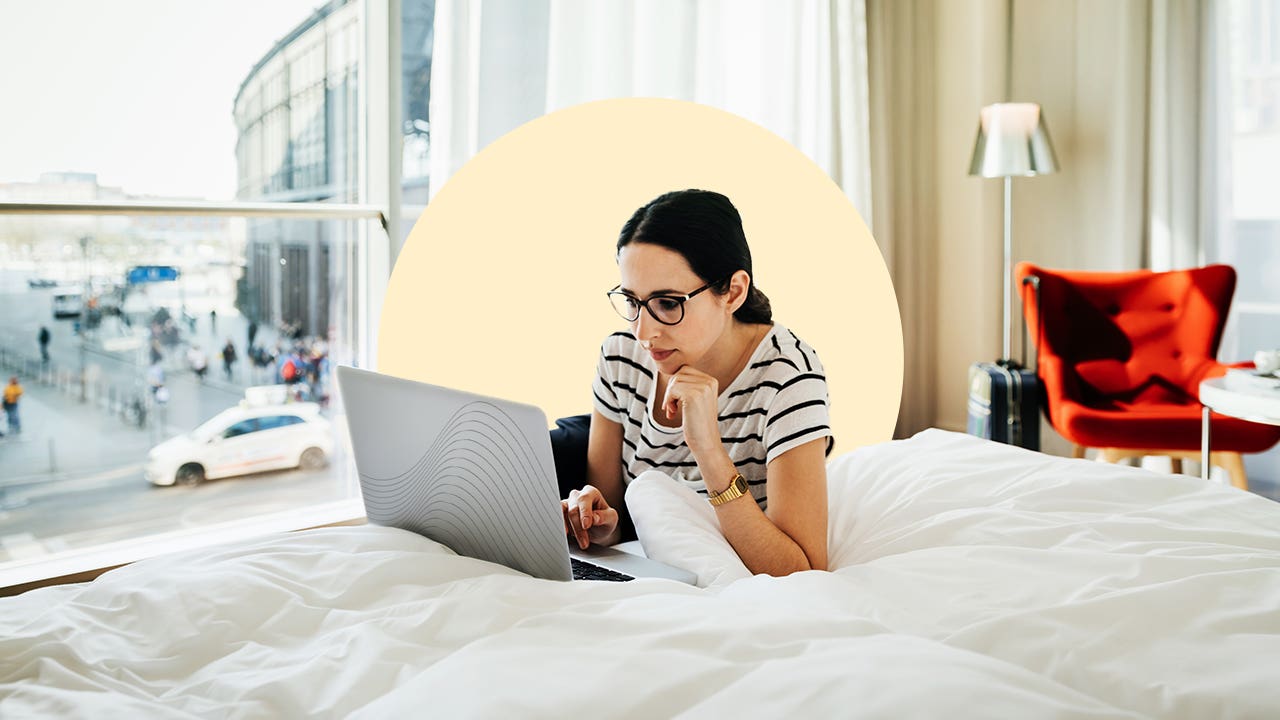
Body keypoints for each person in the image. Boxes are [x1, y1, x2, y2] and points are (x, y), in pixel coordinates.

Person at [562, 189, 834, 577]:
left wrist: (707, 448)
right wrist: (599, 525)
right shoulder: (621, 356)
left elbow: (802, 569)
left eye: (668, 304)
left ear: (734, 292)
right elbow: (617, 517)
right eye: (632, 301)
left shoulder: (790, 376)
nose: (644, 332)